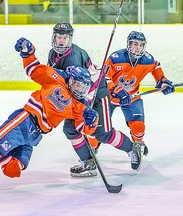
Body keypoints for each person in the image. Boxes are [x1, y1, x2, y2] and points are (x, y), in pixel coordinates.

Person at [0, 37, 99, 181]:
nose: (81, 90)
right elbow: (33, 69)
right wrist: (28, 53)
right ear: (71, 79)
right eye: (78, 85)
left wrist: (92, 121)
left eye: (84, 87)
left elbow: (83, 128)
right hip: (24, 121)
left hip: (35, 135)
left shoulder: (80, 105)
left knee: (13, 170)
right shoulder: (57, 78)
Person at [47, 22, 145, 177]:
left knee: (102, 134)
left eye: (65, 37)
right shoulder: (53, 53)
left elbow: (80, 87)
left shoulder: (74, 57)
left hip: (97, 94)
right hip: (78, 96)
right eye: (58, 36)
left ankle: (132, 148)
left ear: (70, 38)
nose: (61, 41)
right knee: (71, 129)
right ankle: (88, 162)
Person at [104, 31, 175, 157]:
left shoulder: (147, 60)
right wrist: (115, 90)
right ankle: (92, 150)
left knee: (139, 127)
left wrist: (162, 80)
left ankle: (137, 144)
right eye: (135, 44)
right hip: (110, 97)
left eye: (141, 45)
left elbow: (156, 67)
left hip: (132, 97)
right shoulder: (116, 58)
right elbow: (104, 76)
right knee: (98, 127)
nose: (138, 47)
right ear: (129, 44)